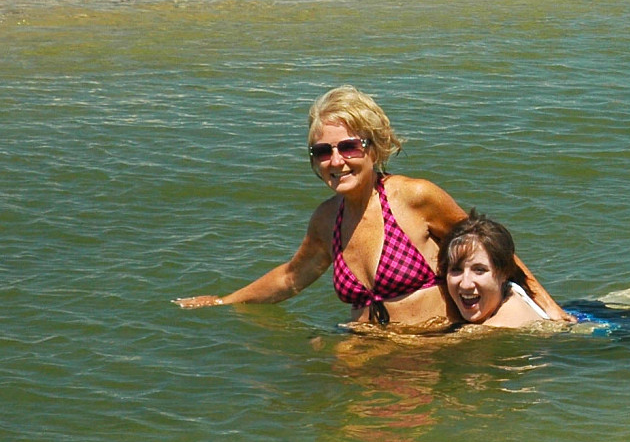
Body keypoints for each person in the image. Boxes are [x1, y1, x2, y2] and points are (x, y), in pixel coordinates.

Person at [176, 85, 568, 326]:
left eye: (348, 146)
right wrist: (224, 301)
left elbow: (492, 251)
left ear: (374, 147)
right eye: (322, 151)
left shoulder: (413, 198)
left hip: (437, 347)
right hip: (375, 352)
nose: (335, 160)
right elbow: (291, 278)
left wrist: (550, 307)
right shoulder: (327, 219)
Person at [441, 211, 562, 329]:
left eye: (479, 270)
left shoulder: (498, 326)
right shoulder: (510, 290)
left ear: (504, 272)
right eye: (456, 270)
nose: (465, 284)